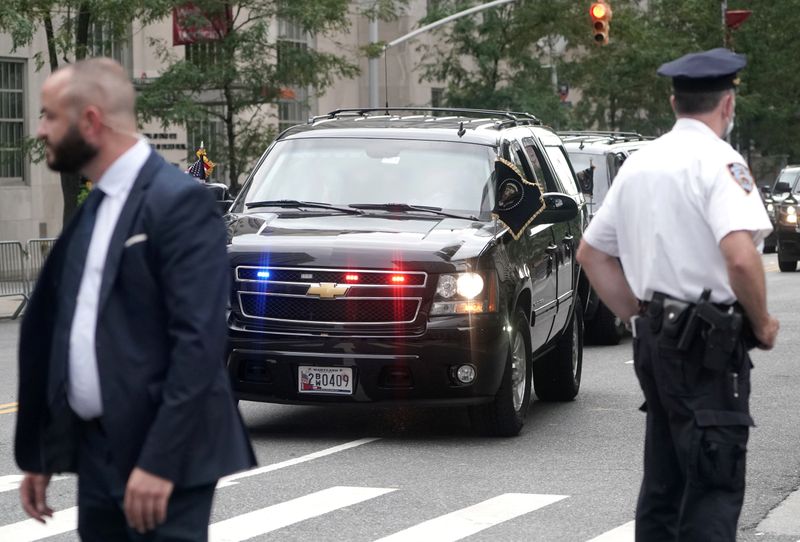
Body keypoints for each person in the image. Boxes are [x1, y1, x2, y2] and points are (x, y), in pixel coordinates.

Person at [16, 57, 256, 541]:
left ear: (90, 121)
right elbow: (72, 327)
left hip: (163, 456)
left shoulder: (179, 201)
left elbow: (198, 343)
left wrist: (159, 461)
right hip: (97, 451)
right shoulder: (97, 205)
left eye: (49, 116)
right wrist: (45, 449)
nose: (39, 129)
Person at [576, 48, 780, 541]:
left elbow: (591, 254)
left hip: (656, 343)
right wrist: (763, 322)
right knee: (713, 482)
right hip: (706, 346)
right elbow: (739, 255)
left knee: (664, 485)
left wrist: (637, 314)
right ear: (727, 105)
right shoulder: (721, 162)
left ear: (674, 103)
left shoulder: (641, 164)